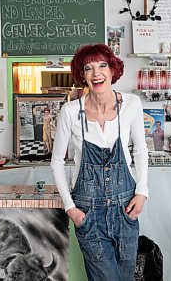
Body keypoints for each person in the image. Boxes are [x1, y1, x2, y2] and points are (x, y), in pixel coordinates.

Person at [51, 44, 148, 281]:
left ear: (112, 70)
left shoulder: (131, 104)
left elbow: (141, 149)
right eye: (88, 68)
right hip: (88, 212)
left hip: (125, 207)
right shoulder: (71, 112)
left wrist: (142, 192)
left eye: (102, 65)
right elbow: (56, 162)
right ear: (82, 76)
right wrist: (70, 207)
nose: (96, 73)